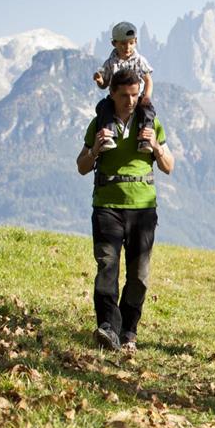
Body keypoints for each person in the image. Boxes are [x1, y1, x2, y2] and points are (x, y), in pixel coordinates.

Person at [76, 69, 174, 354]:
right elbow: (81, 166)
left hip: (143, 208)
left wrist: (154, 146)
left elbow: (169, 166)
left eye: (135, 95)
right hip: (107, 205)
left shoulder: (151, 123)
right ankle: (108, 327)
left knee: (139, 275)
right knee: (107, 265)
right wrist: (95, 149)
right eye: (124, 96)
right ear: (112, 94)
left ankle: (128, 330)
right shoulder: (99, 123)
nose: (130, 101)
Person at [92, 21, 156, 153]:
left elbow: (148, 80)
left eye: (131, 43)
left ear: (136, 41)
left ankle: (145, 139)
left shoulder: (139, 60)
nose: (127, 47)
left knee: (147, 111)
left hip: (137, 97)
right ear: (114, 43)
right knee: (104, 107)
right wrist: (100, 80)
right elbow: (104, 85)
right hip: (116, 99)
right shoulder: (110, 63)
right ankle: (109, 136)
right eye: (123, 44)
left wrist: (146, 96)